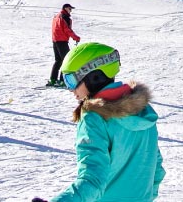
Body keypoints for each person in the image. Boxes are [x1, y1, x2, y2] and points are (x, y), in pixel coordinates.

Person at [37, 41, 164, 202]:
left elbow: (93, 180)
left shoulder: (94, 118)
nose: (70, 89)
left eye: (71, 80)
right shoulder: (143, 112)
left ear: (94, 77)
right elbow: (156, 170)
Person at [48, 4, 81, 87]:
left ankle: (53, 79)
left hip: (55, 41)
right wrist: (76, 37)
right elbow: (67, 30)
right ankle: (63, 81)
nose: (71, 11)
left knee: (58, 61)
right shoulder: (64, 17)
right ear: (65, 8)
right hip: (62, 41)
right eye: (70, 9)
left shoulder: (57, 16)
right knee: (66, 61)